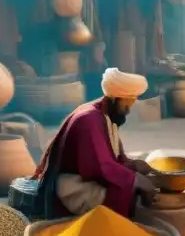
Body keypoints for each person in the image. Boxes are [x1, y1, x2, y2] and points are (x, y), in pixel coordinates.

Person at [32, 68, 159, 220]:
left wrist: (133, 166)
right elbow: (98, 168)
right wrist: (135, 178)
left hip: (87, 176)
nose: (128, 111)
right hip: (72, 186)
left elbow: (111, 158)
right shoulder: (89, 119)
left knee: (135, 182)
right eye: (126, 106)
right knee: (128, 191)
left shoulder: (106, 114)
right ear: (113, 99)